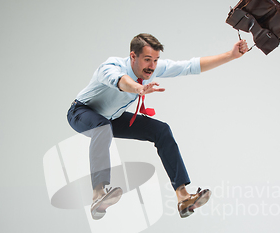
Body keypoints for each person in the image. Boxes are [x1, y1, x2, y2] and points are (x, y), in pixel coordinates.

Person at [67, 33, 248, 220]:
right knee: (102, 126)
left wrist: (231, 55)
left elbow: (190, 66)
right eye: (147, 60)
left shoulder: (152, 68)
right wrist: (138, 89)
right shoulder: (111, 67)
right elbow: (120, 81)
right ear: (132, 56)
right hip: (81, 112)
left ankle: (183, 197)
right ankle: (98, 194)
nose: (152, 66)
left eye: (155, 60)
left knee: (161, 131)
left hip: (113, 117)